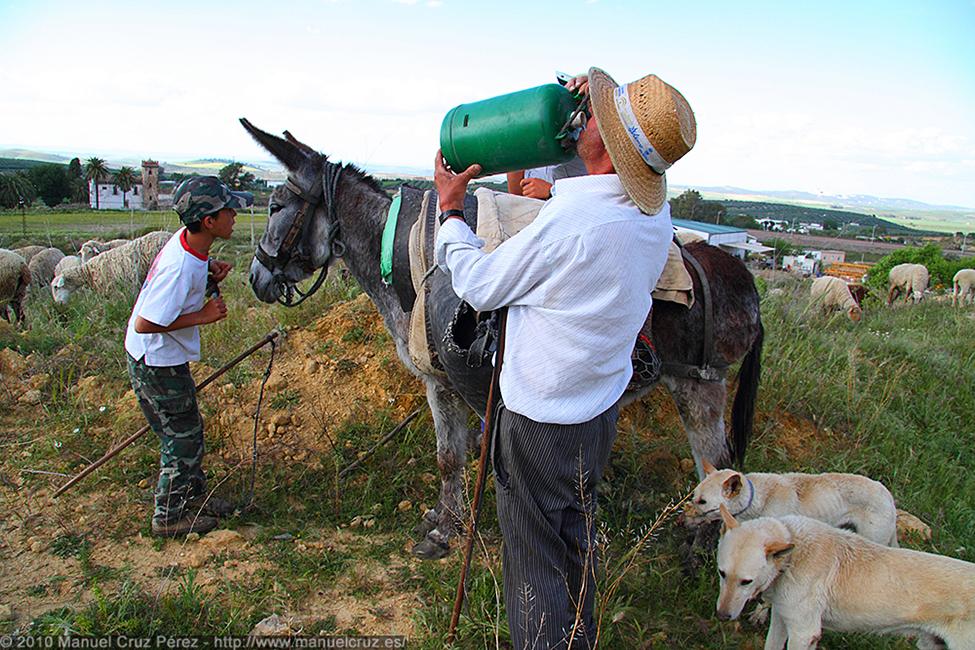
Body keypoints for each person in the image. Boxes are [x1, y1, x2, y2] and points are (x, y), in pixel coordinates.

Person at [434, 68, 696, 649]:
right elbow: (624, 157)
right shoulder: (654, 217)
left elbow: (479, 284)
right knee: (572, 542)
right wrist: (607, 107)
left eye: (599, 112)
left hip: (541, 423)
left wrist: (452, 212)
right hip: (595, 412)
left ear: (607, 143)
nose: (586, 114)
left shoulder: (576, 223)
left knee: (533, 562)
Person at [124, 176, 252, 537]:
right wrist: (204, 315)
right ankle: (169, 516)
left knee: (188, 430)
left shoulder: (191, 247)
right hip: (155, 363)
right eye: (228, 210)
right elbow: (146, 322)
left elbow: (189, 269)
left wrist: (209, 274)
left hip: (159, 359)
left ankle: (192, 496)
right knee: (181, 437)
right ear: (208, 221)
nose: (235, 214)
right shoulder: (179, 267)